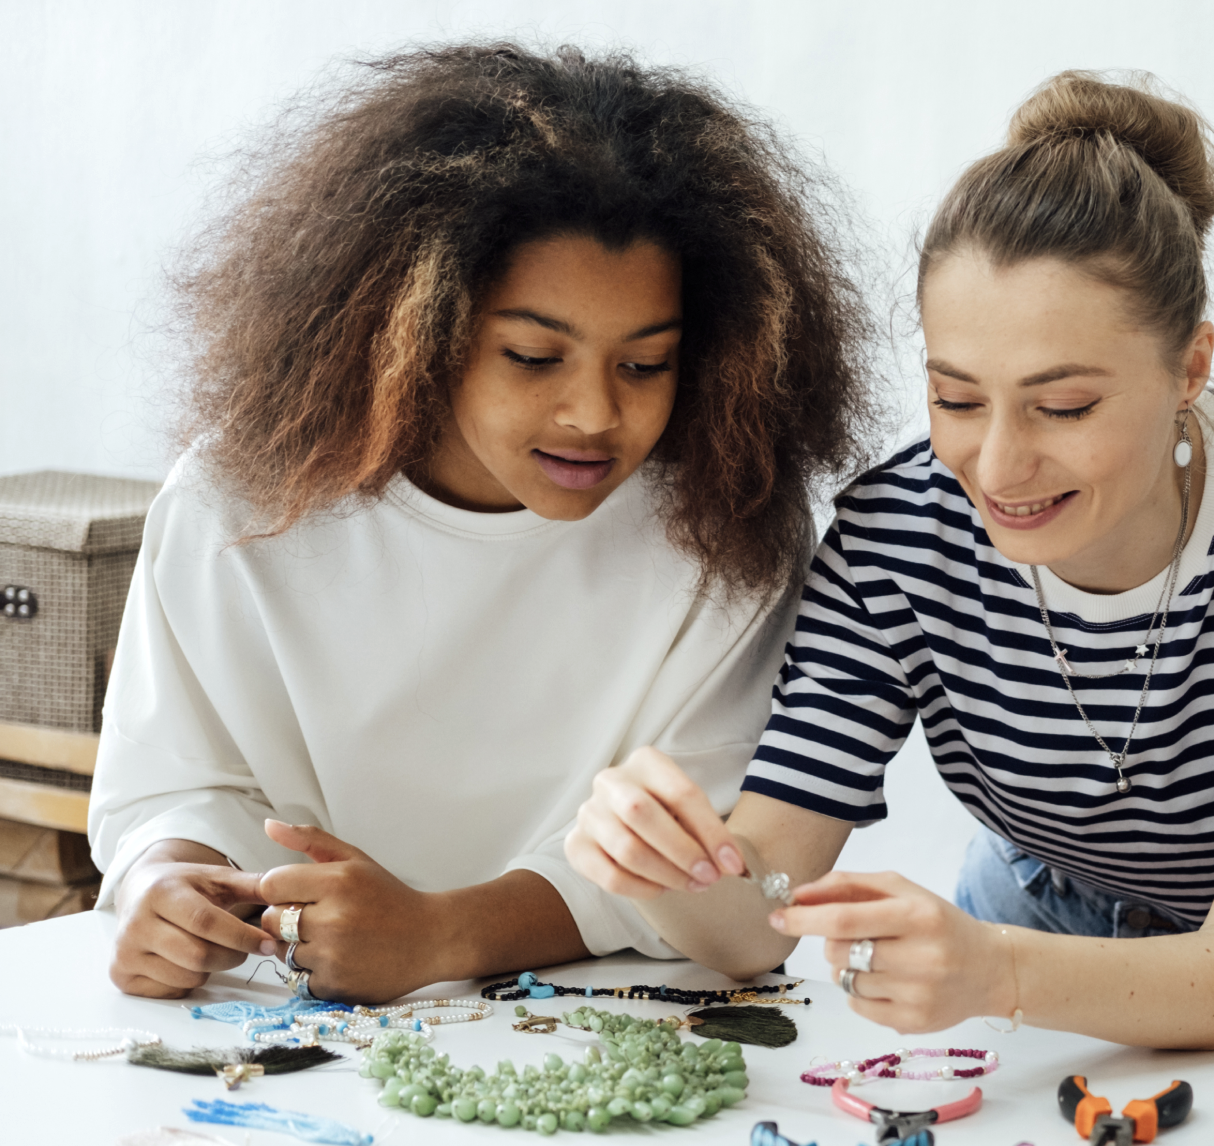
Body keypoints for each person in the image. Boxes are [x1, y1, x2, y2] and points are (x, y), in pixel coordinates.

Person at [566, 71, 1214, 1060]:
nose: (997, 467)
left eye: (1065, 406)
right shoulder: (897, 535)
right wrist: (664, 865)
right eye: (957, 399)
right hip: (1023, 925)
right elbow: (762, 910)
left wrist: (993, 972)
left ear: (1190, 367)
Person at [91, 43, 874, 1004]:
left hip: (610, 1015)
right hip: (288, 1009)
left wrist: (441, 935)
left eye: (645, 365)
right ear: (413, 329)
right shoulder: (241, 498)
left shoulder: (723, 523)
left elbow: (709, 861)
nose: (593, 413)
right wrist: (160, 887)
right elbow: (175, 776)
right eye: (534, 356)